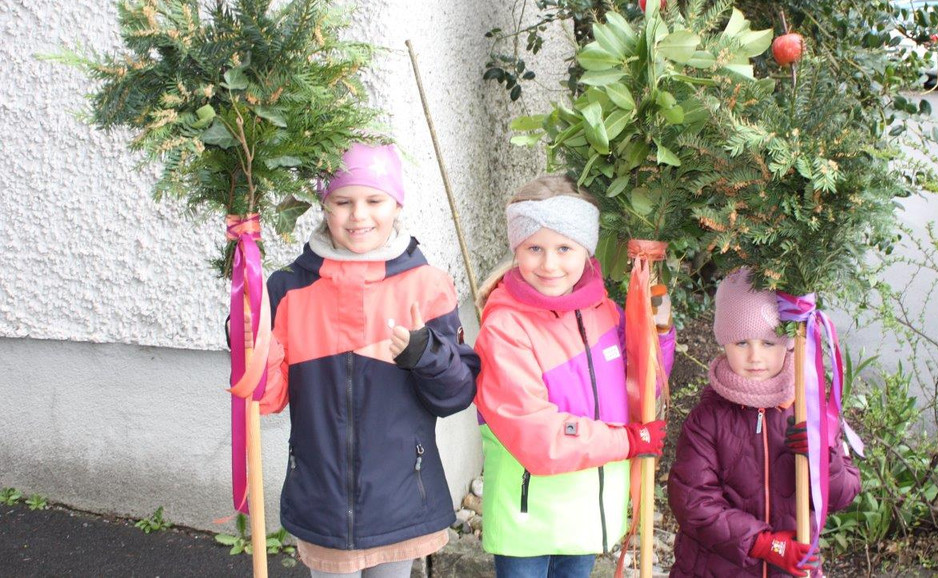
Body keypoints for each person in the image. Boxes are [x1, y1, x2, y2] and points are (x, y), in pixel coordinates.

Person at [259, 143, 480, 578]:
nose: (358, 215)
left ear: (397, 204)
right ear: (324, 206)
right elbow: (267, 398)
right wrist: (252, 344)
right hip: (322, 499)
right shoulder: (288, 288)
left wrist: (425, 355)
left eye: (374, 200)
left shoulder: (427, 284)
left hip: (402, 498)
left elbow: (456, 395)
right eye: (343, 202)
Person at [473, 174, 676, 578]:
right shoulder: (505, 328)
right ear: (516, 249)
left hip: (586, 519)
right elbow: (537, 435)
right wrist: (628, 441)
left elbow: (640, 386)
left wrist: (659, 331)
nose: (549, 264)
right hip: (529, 523)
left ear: (586, 248)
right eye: (534, 248)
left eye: (564, 248)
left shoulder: (601, 310)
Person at [668, 268, 861, 577]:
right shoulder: (708, 418)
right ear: (724, 343)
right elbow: (692, 501)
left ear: (788, 343)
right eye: (741, 343)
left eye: (768, 343)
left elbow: (844, 493)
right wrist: (764, 544)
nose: (755, 357)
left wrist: (823, 457)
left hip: (793, 568)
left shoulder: (809, 409)